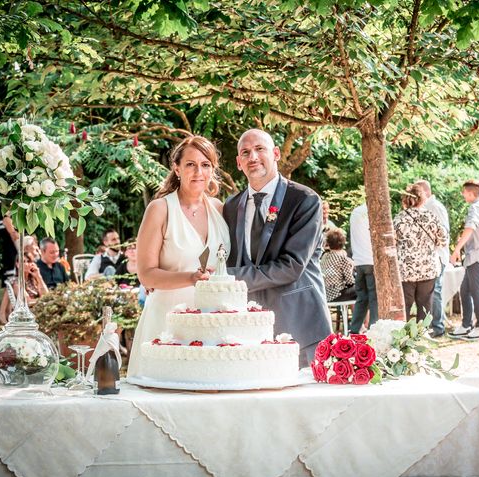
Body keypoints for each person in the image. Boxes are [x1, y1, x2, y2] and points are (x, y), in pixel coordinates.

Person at [223, 128, 331, 367]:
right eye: (245, 152)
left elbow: (291, 266)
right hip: (249, 333)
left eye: (259, 149)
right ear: (239, 163)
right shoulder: (230, 206)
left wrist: (224, 277)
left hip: (299, 327)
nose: (253, 157)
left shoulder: (304, 200)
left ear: (276, 154)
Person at [127, 135, 228, 378]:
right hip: (168, 321)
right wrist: (190, 278)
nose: (198, 172)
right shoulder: (160, 209)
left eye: (205, 165)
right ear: (177, 168)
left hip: (212, 324)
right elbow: (146, 275)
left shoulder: (219, 208)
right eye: (190, 164)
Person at [393, 184, 448, 323]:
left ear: (405, 199)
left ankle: (403, 337)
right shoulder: (431, 217)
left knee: (405, 306)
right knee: (425, 305)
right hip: (427, 268)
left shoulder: (399, 218)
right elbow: (443, 240)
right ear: (422, 199)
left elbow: (392, 242)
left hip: (406, 269)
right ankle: (422, 335)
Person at [449, 179, 479, 340]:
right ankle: (466, 325)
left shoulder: (475, 208)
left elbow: (470, 228)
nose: (462, 195)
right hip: (476, 256)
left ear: (470, 192)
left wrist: (456, 250)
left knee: (476, 291)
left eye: (464, 192)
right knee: (465, 290)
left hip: (478, 256)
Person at [415, 180, 450, 337]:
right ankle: (433, 325)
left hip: (437, 256)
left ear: (425, 191)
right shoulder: (428, 206)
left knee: (435, 291)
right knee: (431, 292)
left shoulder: (434, 207)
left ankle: (438, 326)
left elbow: (443, 232)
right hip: (431, 257)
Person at [349, 202, 379, 334]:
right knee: (374, 299)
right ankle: (374, 330)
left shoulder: (355, 212)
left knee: (361, 299)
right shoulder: (373, 212)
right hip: (371, 260)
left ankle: (354, 330)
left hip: (359, 261)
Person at [0, 251, 49, 321]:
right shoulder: (16, 283)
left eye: (28, 261)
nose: (26, 264)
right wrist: (43, 301)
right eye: (23, 261)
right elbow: (28, 302)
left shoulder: (34, 279)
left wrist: (39, 277)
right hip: (29, 314)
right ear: (17, 264)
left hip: (41, 309)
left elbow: (46, 295)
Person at [0, 215, 18, 324]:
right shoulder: (6, 218)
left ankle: (8, 312)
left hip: (9, 252)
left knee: (12, 281)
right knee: (11, 281)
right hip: (11, 253)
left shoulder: (7, 218)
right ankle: (1, 312)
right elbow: (14, 235)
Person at [321, 228, 356, 302]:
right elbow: (350, 281)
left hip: (325, 295)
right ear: (343, 242)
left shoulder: (324, 256)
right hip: (338, 295)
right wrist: (352, 267)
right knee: (363, 288)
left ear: (328, 243)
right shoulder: (342, 257)